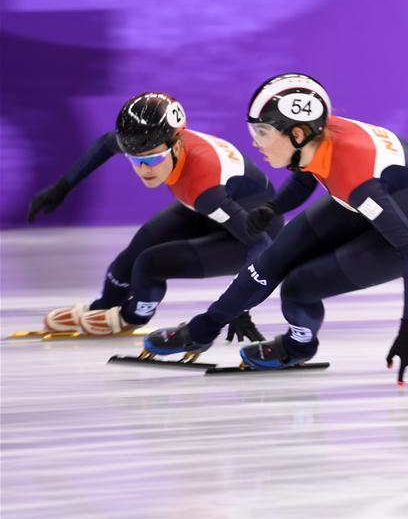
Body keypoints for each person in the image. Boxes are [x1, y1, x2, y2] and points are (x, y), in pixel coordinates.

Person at [143, 73, 408, 384]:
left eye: (262, 132)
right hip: (370, 204)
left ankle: (298, 346)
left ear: (298, 133)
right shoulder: (316, 140)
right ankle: (202, 329)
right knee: (273, 259)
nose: (255, 142)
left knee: (300, 286)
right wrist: (274, 208)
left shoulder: (357, 179)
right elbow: (306, 174)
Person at [27, 92, 281, 339]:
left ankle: (132, 316)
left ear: (177, 144)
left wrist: (239, 308)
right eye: (135, 160)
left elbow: (260, 244)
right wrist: (61, 188)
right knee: (135, 250)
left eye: (153, 159)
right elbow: (104, 144)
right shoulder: (142, 138)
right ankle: (103, 307)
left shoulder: (204, 187)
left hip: (253, 232)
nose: (144, 170)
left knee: (150, 264)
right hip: (214, 209)